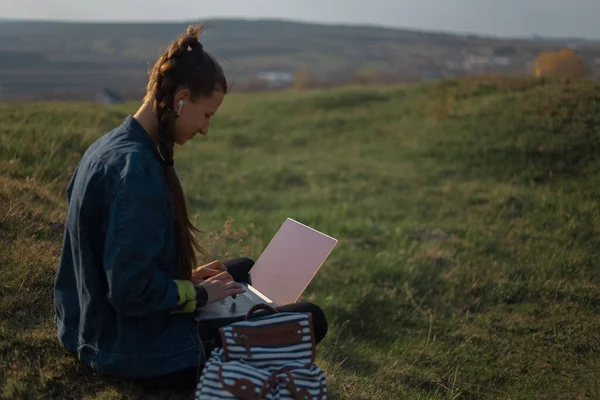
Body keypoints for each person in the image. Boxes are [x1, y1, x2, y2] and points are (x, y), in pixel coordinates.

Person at [53, 25, 328, 389]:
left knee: (242, 270)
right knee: (311, 317)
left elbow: (115, 258)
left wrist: (187, 280)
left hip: (87, 324)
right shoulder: (138, 174)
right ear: (181, 98)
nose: (205, 130)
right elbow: (129, 292)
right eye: (207, 115)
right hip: (130, 347)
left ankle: (237, 305)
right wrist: (196, 294)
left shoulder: (109, 146)